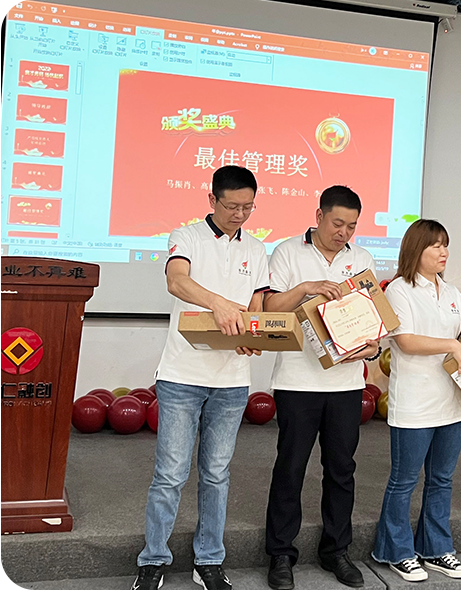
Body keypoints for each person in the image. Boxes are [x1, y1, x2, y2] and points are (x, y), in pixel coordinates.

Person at [132, 166, 270, 590]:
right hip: (182, 376)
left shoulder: (257, 249)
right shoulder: (187, 237)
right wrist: (219, 304)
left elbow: (257, 306)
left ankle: (209, 559)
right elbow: (177, 281)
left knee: (216, 474)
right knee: (170, 475)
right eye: (232, 206)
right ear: (212, 200)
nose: (240, 214)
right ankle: (153, 559)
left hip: (232, 381)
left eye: (248, 207)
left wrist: (253, 336)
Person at [372, 219, 461, 582]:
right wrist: (451, 344)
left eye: (445, 244)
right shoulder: (399, 290)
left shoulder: (449, 292)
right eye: (435, 245)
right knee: (404, 481)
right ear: (415, 249)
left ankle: (435, 548)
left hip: (451, 404)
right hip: (414, 404)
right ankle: (396, 551)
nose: (443, 251)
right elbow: (406, 341)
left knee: (442, 479)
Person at [263, 186, 380, 590]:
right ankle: (281, 553)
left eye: (351, 226)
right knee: (291, 467)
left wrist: (373, 346)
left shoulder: (361, 260)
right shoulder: (287, 252)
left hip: (346, 384)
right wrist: (305, 288)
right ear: (318, 216)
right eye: (337, 223)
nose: (343, 233)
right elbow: (269, 308)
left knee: (342, 470)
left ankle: (336, 551)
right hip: (297, 381)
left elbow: (374, 319)